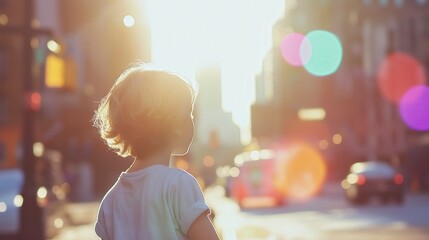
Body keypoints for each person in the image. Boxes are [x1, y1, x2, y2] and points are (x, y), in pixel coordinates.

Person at [92, 63, 220, 240]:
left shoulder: (110, 201)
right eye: (189, 113)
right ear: (176, 124)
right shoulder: (178, 184)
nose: (192, 120)